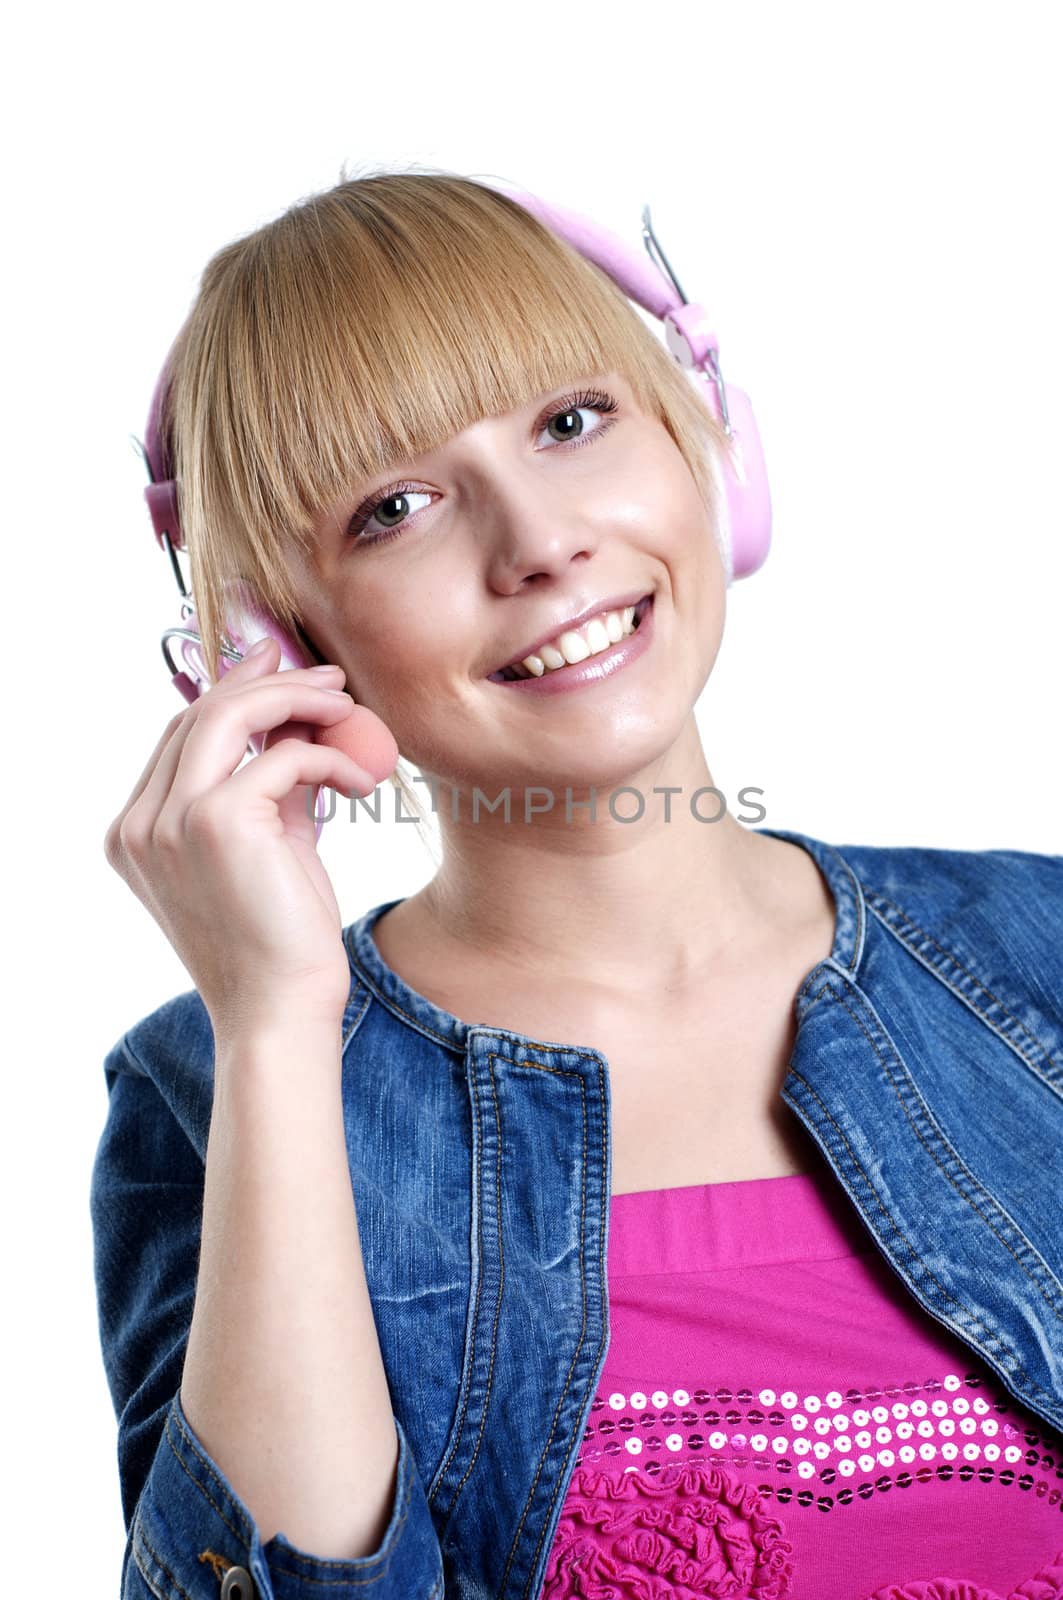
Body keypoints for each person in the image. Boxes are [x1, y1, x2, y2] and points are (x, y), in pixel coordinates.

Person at [91, 168, 1063, 1600]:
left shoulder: (1038, 955)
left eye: (570, 421)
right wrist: (277, 1021)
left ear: (709, 450)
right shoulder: (217, 1089)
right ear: (275, 643)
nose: (541, 542)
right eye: (396, 506)